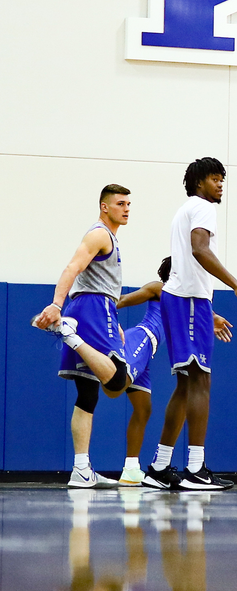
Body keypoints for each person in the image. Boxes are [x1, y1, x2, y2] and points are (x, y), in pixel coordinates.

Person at [142, 157, 237, 491]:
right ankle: (195, 469)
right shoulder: (203, 208)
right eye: (214, 178)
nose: (220, 184)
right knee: (201, 383)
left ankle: (160, 466)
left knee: (186, 385)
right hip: (190, 301)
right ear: (199, 182)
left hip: (185, 300)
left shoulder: (184, 210)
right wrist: (236, 284)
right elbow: (200, 249)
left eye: (222, 179)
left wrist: (209, 311)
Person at [31, 184, 135, 488]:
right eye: (120, 203)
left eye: (129, 203)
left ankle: (81, 469)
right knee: (118, 380)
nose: (126, 208)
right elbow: (73, 267)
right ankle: (69, 334)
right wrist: (55, 304)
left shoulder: (109, 236)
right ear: (104, 207)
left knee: (87, 396)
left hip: (93, 309)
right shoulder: (99, 234)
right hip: (92, 307)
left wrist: (113, 321)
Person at [114, 257, 233, 486]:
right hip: (141, 338)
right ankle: (84, 345)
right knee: (116, 383)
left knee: (145, 408)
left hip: (150, 352)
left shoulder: (182, 298)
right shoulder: (161, 288)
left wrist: (213, 316)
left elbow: (196, 308)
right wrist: (102, 309)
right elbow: (124, 300)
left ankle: (140, 468)